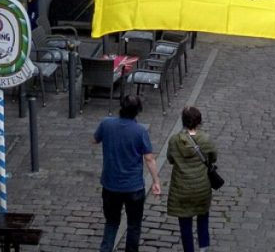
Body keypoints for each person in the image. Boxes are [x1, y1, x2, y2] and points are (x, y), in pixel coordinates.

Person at [93, 94, 162, 252]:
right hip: (133, 187)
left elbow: (94, 140)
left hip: (110, 185)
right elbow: (149, 159)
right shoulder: (140, 131)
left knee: (111, 222)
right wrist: (156, 181)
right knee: (133, 225)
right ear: (137, 111)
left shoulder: (106, 124)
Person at [167, 106, 217, 252]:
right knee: (203, 217)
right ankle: (203, 247)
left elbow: (170, 159)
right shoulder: (205, 139)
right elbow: (213, 157)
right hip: (201, 187)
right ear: (198, 121)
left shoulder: (174, 140)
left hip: (181, 189)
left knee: (185, 223)